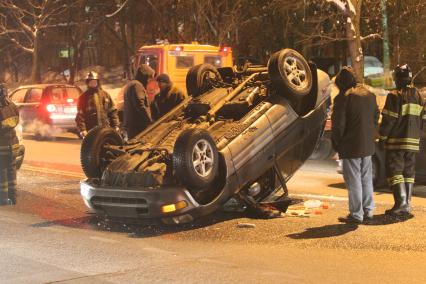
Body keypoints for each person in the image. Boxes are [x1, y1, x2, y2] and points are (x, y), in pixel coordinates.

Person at [332, 67, 379, 224]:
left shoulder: (343, 98)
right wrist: (372, 135)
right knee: (366, 179)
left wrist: (337, 144)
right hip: (368, 145)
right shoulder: (370, 94)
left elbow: (338, 125)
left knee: (353, 181)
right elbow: (375, 116)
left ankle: (356, 214)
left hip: (350, 145)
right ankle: (368, 210)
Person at [379, 64, 424, 216]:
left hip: (396, 141)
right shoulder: (418, 95)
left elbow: (389, 119)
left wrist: (382, 137)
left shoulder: (394, 95)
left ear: (397, 78)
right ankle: (408, 204)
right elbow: (423, 118)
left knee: (395, 171)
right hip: (413, 142)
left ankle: (401, 203)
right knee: (409, 172)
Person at [76, 71, 120, 138]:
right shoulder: (83, 97)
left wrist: (115, 125)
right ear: (88, 83)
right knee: (92, 148)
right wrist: (82, 130)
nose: (93, 83)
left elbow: (112, 112)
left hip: (105, 129)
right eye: (91, 82)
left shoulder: (105, 95)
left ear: (98, 82)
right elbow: (80, 116)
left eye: (95, 81)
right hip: (90, 131)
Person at [122, 64, 155, 139]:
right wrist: (149, 120)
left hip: (133, 124)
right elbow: (140, 105)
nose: (150, 80)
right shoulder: (137, 85)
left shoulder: (132, 84)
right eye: (149, 77)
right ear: (145, 76)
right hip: (137, 125)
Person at [0, 83, 20, 205]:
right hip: (13, 145)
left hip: (1, 146)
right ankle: (13, 198)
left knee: (1, 173)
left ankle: (2, 199)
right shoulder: (12, 105)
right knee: (11, 172)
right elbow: (16, 121)